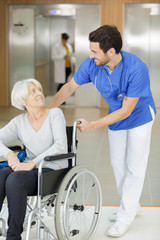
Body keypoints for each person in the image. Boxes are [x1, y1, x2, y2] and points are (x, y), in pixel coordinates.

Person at [48, 25, 156, 237]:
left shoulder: (136, 68)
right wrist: (47, 112)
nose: (90, 55)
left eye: (95, 51)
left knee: (135, 166)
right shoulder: (92, 65)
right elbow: (69, 87)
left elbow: (127, 110)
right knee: (117, 164)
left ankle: (126, 216)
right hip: (116, 117)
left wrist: (92, 125)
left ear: (111, 52)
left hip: (140, 116)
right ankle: (131, 205)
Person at [0, 79, 67, 240]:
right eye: (33, 91)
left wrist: (31, 164)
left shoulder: (55, 114)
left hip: (53, 170)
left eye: (39, 90)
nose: (40, 94)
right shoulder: (19, 122)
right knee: (2, 175)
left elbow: (60, 145)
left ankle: (13, 236)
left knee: (15, 179)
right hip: (31, 170)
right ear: (23, 100)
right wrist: (9, 154)